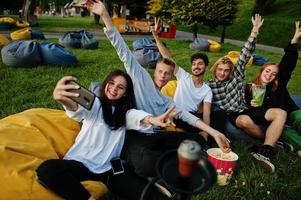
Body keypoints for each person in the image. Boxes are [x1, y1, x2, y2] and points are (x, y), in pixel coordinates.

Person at [86, 0, 230, 178]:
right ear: (156, 71)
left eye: (167, 73)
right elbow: (122, 50)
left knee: (197, 141)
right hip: (135, 135)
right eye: (161, 71)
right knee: (146, 162)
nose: (163, 75)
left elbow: (190, 118)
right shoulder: (141, 77)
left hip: (155, 135)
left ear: (171, 77)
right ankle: (161, 163)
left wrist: (215, 133)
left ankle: (170, 159)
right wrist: (106, 16)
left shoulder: (167, 101)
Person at [36, 71, 176, 200]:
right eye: (112, 83)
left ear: (125, 93)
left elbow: (137, 116)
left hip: (109, 169)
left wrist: (153, 119)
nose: (114, 88)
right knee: (47, 169)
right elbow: (77, 108)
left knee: (150, 195)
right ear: (105, 84)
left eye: (120, 87)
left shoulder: (125, 113)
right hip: (81, 163)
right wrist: (63, 100)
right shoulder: (96, 104)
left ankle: (144, 182)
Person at [207, 15, 286, 173]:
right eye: (220, 70)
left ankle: (265, 150)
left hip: (248, 108)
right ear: (215, 69)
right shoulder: (209, 86)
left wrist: (254, 31)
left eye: (226, 70)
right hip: (234, 115)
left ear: (230, 72)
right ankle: (270, 144)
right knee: (245, 120)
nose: (222, 73)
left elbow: (244, 55)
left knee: (281, 113)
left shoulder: (235, 77)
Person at [244, 20, 301, 162]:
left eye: (274, 73)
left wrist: (294, 40)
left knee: (300, 116)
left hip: (289, 112)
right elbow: (250, 110)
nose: (269, 75)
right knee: (285, 132)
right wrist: (252, 104)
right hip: (273, 121)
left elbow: (288, 63)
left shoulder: (278, 83)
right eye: (267, 71)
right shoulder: (250, 87)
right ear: (261, 71)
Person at [151, 17, 213, 142]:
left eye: (200, 64)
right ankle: (197, 138)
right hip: (176, 114)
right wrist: (157, 37)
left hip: (192, 116)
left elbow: (206, 113)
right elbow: (167, 58)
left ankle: (203, 137)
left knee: (214, 119)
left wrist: (206, 131)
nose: (196, 66)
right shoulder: (183, 75)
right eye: (194, 64)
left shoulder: (207, 90)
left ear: (206, 67)